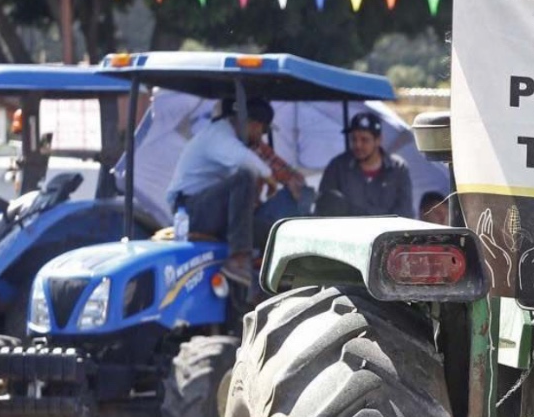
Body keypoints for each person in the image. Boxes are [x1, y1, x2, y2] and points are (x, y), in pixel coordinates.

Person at [165, 96, 310, 291]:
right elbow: (247, 163)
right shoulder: (218, 135)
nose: (261, 137)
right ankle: (238, 260)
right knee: (245, 176)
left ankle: (274, 282)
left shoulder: (231, 141)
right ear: (253, 124)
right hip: (191, 211)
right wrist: (270, 179)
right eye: (262, 130)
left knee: (273, 232)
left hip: (211, 211)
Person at [318, 111, 415, 219]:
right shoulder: (338, 166)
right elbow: (324, 206)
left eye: (364, 140)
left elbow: (405, 212)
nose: (358, 145)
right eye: (354, 139)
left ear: (378, 140)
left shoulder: (398, 168)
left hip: (386, 233)